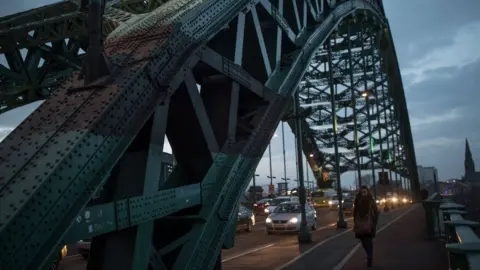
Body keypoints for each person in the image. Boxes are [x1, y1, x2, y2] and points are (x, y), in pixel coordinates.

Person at [353, 186, 379, 268]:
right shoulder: (357, 201)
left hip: (369, 224)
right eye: (361, 192)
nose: (363, 194)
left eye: (364, 192)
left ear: (367, 192)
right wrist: (355, 222)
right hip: (360, 224)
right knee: (363, 242)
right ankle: (369, 254)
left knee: (369, 241)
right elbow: (355, 212)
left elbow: (376, 211)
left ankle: (370, 257)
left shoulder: (371, 200)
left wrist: (374, 222)